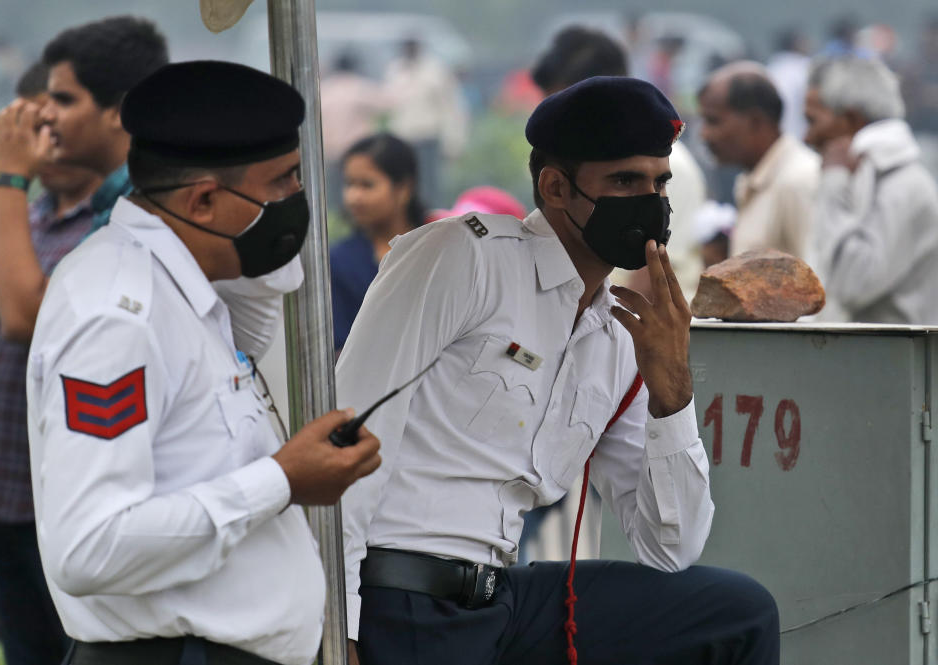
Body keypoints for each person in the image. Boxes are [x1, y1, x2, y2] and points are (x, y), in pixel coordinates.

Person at [337, 76, 778, 665]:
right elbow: (349, 435)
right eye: (624, 180)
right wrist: (335, 625)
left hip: (502, 598)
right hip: (405, 592)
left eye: (659, 182)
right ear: (556, 187)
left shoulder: (619, 337)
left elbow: (670, 546)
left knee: (735, 613)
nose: (650, 200)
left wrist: (672, 393)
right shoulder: (463, 259)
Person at [26, 60, 382, 665]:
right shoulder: (117, 313)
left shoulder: (187, 285)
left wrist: (271, 229)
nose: (300, 202)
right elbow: (88, 546)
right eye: (285, 183)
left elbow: (260, 301)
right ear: (206, 199)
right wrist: (282, 480)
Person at [0, 60, 101, 665]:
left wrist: (7, 176)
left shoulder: (107, 224)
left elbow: (31, 317)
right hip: (2, 494)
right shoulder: (27, 222)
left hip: (59, 501)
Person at [0, 16, 168, 343]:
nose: (46, 114)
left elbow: (26, 319)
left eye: (64, 99)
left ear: (119, 111)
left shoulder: (149, 205)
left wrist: (9, 176)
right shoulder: (115, 201)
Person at [531, 25, 707, 303]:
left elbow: (648, 280)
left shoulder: (668, 167)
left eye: (569, 106)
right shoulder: (569, 167)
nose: (560, 123)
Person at [805, 56, 938, 324]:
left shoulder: (903, 185)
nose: (807, 137)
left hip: (892, 363)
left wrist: (833, 184)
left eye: (812, 120)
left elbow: (853, 284)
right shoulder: (865, 176)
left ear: (851, 119)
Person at [698, 62, 820, 259]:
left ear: (755, 122)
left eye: (713, 121)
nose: (704, 134)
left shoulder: (798, 180)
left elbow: (819, 279)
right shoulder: (751, 179)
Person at [330, 133, 424, 352]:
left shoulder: (438, 246)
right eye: (349, 184)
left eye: (367, 185)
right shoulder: (340, 262)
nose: (354, 197)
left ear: (403, 189)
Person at [383, 38, 468, 207]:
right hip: (403, 138)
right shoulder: (395, 70)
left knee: (429, 188)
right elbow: (389, 104)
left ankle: (431, 221)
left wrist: (454, 141)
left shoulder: (434, 71)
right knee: (404, 186)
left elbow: (450, 107)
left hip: (427, 136)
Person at [320, 51, 388, 213]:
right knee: (358, 188)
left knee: (336, 193)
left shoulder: (325, 90)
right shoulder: (359, 87)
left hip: (332, 151)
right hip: (357, 151)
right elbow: (386, 103)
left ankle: (338, 220)